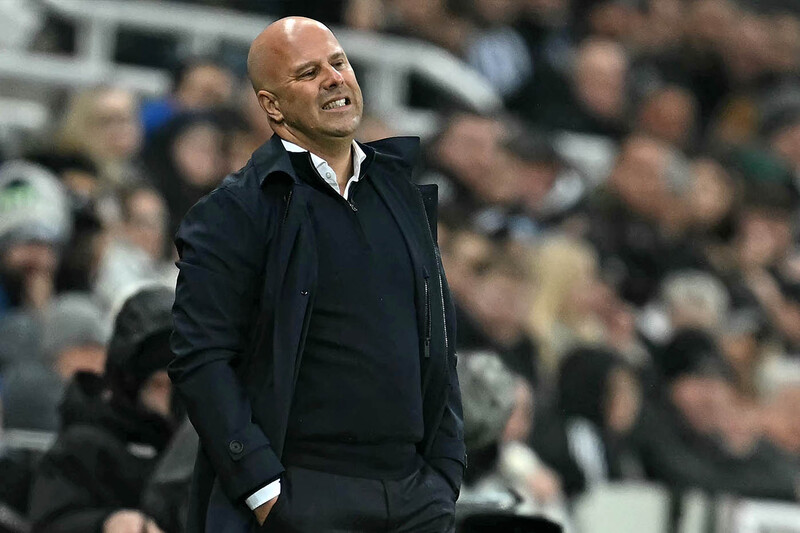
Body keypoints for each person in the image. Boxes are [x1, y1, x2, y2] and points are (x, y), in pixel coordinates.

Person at [169, 16, 465, 533]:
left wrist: (445, 471)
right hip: (303, 493)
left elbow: (437, 339)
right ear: (272, 106)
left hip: (415, 497)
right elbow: (201, 358)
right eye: (308, 73)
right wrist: (263, 489)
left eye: (339, 62)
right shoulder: (232, 211)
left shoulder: (402, 193)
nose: (333, 78)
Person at [28, 284, 179, 533]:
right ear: (131, 384)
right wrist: (107, 523)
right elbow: (49, 522)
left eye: (179, 386)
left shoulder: (204, 442)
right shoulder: (84, 445)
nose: (172, 399)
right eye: (159, 385)